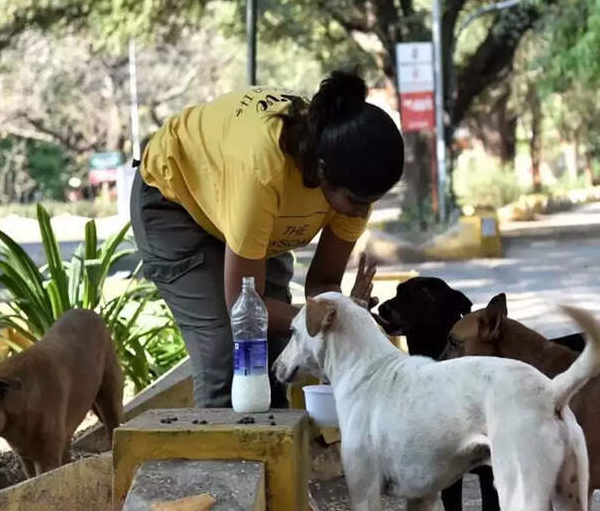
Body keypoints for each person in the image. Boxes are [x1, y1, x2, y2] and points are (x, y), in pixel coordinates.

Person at [129, 70, 403, 408]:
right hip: (176, 202)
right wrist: (326, 318)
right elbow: (244, 307)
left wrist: (337, 314)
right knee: (229, 356)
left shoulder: (355, 177)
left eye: (369, 202)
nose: (361, 214)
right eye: (356, 202)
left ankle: (271, 458)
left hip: (251, 217)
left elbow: (324, 281)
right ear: (321, 170)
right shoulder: (264, 168)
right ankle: (223, 459)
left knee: (278, 358)